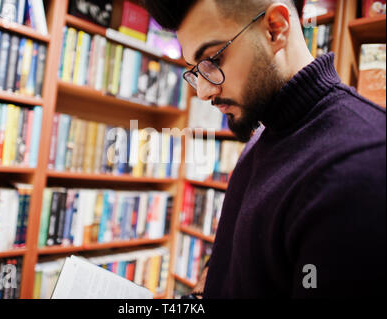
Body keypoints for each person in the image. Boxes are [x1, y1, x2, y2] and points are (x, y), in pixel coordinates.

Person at [143, 0, 386, 298]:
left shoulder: (364, 163)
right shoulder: (263, 136)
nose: (203, 91)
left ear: (275, 28)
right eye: (196, 70)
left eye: (213, 60)